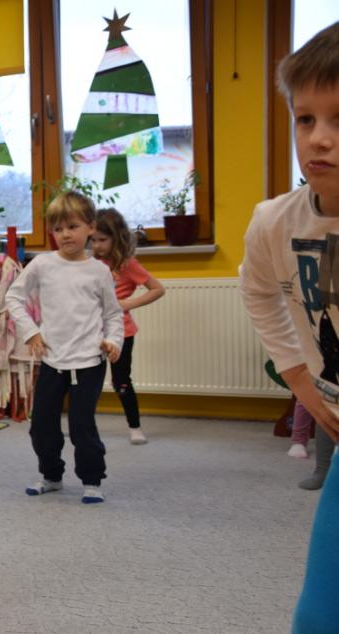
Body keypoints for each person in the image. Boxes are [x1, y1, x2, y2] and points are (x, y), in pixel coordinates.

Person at [239, 22, 339, 633]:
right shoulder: (275, 222)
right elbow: (256, 291)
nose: (319, 137)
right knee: (319, 613)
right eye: (306, 119)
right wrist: (298, 377)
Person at [6, 191, 124, 504]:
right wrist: (31, 332)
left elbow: (113, 315)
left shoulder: (99, 271)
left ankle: (92, 479)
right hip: (52, 360)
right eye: (58, 229)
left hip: (89, 362)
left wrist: (114, 341)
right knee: (41, 426)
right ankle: (51, 476)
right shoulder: (42, 264)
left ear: (90, 227)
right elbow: (13, 298)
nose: (65, 234)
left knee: (81, 425)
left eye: (72, 226)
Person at [91, 208, 165, 445]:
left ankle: (135, 427)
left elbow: (157, 289)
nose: (97, 246)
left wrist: (126, 304)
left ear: (117, 237)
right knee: (85, 381)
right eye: (93, 240)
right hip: (90, 332)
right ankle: (81, 425)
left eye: (102, 240)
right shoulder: (89, 263)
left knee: (121, 381)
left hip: (121, 332)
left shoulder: (127, 264)